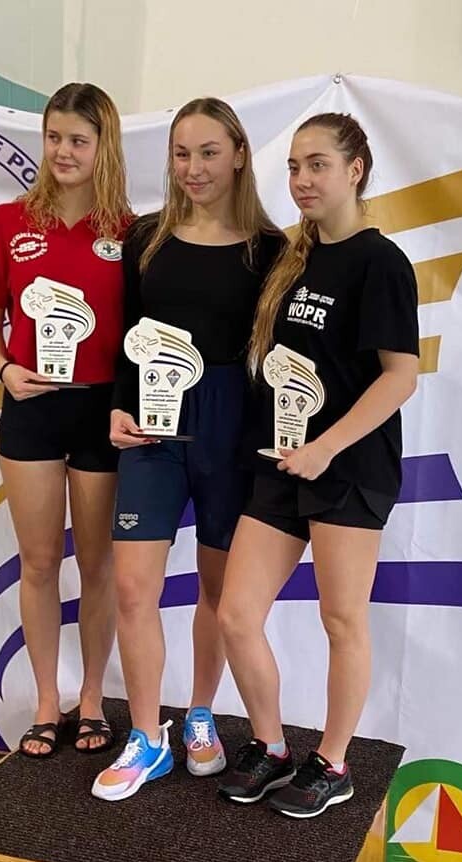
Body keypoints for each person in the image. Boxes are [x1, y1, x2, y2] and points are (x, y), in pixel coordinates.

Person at [216, 112, 419, 818]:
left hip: (349, 466)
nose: (302, 179)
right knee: (236, 615)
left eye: (318, 165)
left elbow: (400, 376)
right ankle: (271, 746)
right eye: (295, 167)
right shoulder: (293, 258)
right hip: (281, 461)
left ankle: (333, 764)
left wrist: (327, 446)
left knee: (341, 619)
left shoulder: (380, 262)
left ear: (355, 169)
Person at [91, 97, 284, 801]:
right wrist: (119, 404)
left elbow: (279, 358)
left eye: (208, 152)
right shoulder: (146, 238)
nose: (193, 168)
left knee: (217, 590)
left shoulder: (272, 250)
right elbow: (130, 335)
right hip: (153, 426)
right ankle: (147, 738)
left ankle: (201, 713)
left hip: (232, 429)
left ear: (239, 154)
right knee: (134, 588)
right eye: (181, 153)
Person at [0, 83, 132, 758]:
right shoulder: (8, 222)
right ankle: (45, 701)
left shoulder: (128, 231)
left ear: (103, 147)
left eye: (78, 140)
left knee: (97, 565)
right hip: (31, 409)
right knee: (38, 562)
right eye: (54, 137)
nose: (63, 151)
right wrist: (6, 370)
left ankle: (91, 698)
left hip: (102, 412)